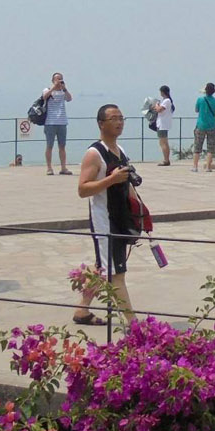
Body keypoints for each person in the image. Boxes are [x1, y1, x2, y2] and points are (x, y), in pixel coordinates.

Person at [76, 104, 136, 325]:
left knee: (103, 266)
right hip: (104, 220)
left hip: (121, 217)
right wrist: (111, 179)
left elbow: (127, 185)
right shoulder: (94, 154)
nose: (119, 122)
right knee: (116, 274)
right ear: (101, 124)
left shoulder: (121, 151)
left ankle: (82, 310)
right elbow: (83, 189)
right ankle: (135, 325)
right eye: (113, 119)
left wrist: (140, 211)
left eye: (121, 118)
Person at [42, 72, 73, 176]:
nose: (59, 81)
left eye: (61, 79)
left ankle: (63, 168)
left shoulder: (63, 92)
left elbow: (69, 99)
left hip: (62, 122)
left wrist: (64, 88)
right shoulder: (47, 90)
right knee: (49, 146)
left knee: (62, 146)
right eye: (57, 79)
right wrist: (53, 88)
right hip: (50, 122)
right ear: (53, 80)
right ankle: (49, 168)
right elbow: (44, 97)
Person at [191, 82, 215, 173]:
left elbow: (196, 110)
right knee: (210, 147)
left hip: (201, 125)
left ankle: (195, 166)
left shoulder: (200, 99)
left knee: (197, 146)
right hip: (212, 125)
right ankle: (208, 167)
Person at [151, 85, 174, 166]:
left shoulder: (166, 101)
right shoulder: (166, 101)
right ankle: (166, 159)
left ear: (162, 92)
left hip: (162, 124)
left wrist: (156, 105)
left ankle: (166, 160)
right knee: (164, 142)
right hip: (163, 123)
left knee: (163, 142)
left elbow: (159, 110)